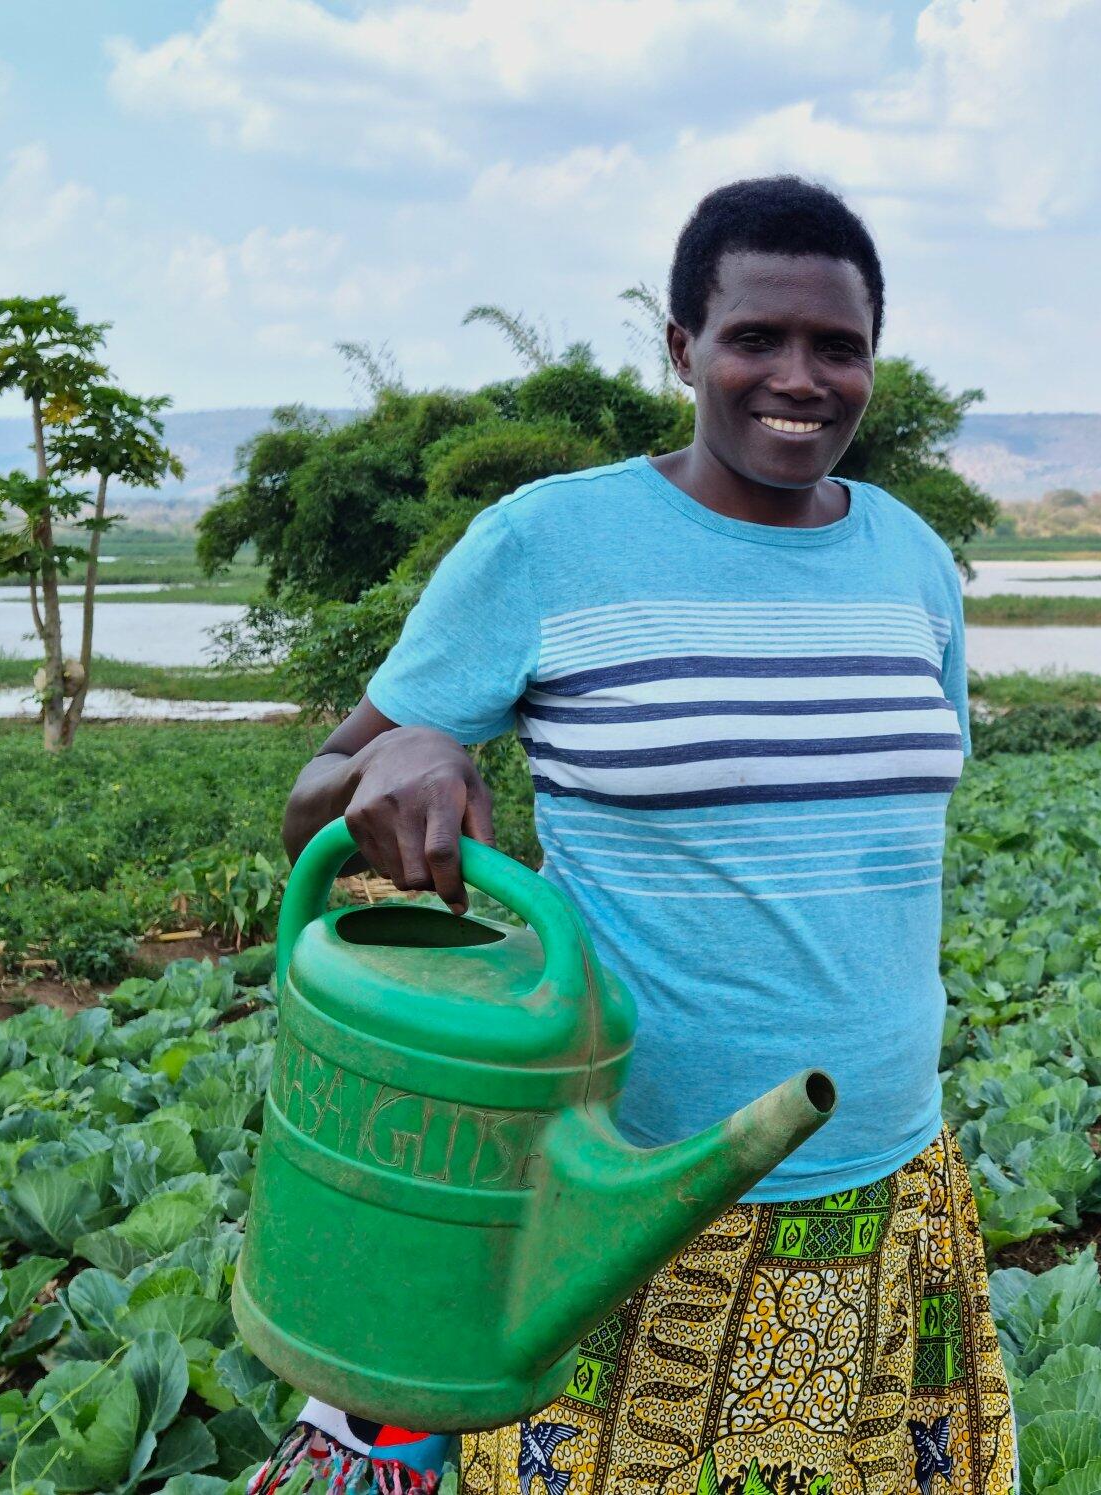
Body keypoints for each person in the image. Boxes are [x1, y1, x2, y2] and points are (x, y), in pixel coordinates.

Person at [255, 177, 1014, 1495]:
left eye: (837, 346)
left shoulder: (914, 565)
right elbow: (317, 797)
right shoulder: (549, 543)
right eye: (755, 337)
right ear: (682, 350)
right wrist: (411, 746)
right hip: (616, 1208)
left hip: (887, 1178)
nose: (800, 376)